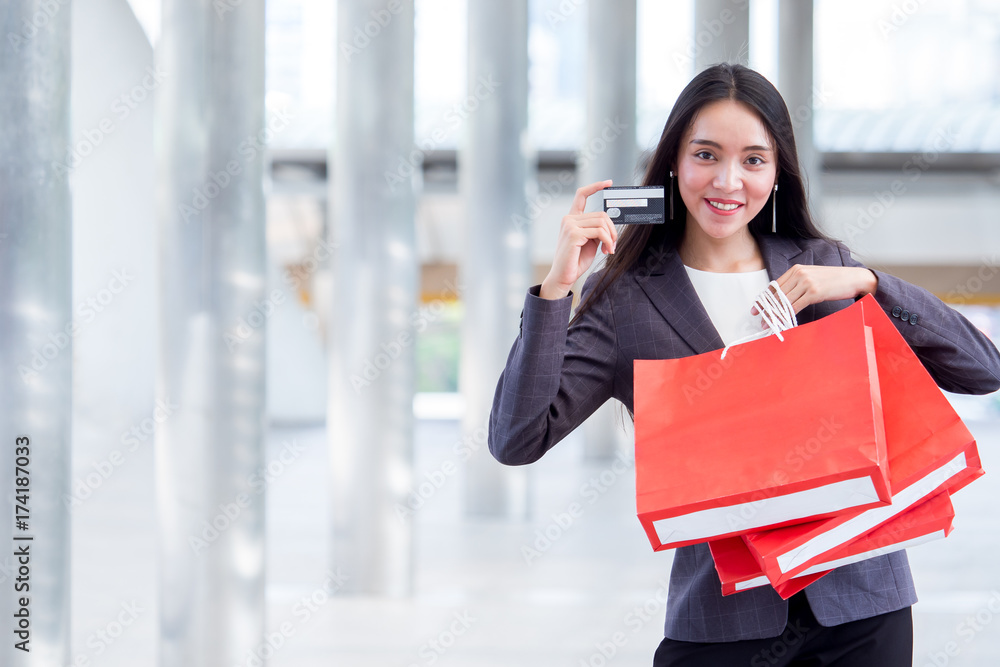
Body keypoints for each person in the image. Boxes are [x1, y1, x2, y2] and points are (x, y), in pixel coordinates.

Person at [487, 63, 1000, 666]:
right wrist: (556, 290)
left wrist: (870, 284)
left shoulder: (821, 265)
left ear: (777, 172)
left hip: (862, 609)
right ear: (674, 161)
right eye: (706, 154)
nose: (728, 181)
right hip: (722, 621)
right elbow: (517, 438)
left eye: (754, 160)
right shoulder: (626, 299)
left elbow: (982, 369)